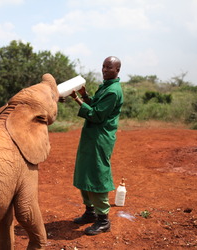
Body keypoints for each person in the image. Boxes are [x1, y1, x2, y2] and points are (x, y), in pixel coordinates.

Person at [69, 56, 123, 235]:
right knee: (85, 171)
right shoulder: (106, 86)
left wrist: (77, 99)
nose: (105, 70)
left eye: (109, 67)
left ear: (117, 70)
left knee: (98, 174)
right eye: (103, 66)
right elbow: (96, 106)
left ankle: (103, 220)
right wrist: (84, 95)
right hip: (91, 136)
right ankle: (90, 212)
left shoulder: (113, 91)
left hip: (100, 138)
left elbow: (97, 116)